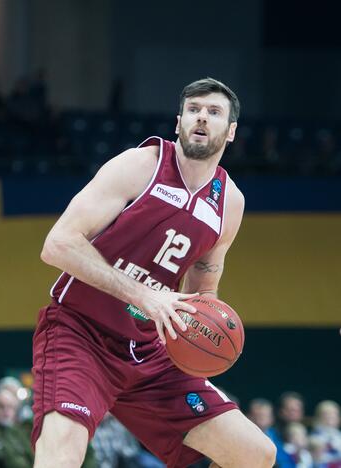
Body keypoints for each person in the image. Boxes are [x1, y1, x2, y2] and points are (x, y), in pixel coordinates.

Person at [31, 78, 276, 468]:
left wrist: (206, 335)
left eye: (214, 112)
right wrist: (143, 295)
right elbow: (58, 245)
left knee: (255, 455)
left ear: (230, 132)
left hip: (150, 349)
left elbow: (203, 293)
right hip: (80, 332)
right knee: (59, 457)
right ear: (178, 120)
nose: (201, 117)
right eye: (194, 109)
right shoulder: (140, 165)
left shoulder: (229, 202)